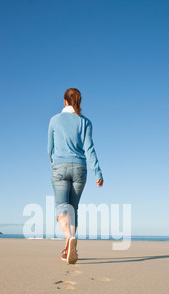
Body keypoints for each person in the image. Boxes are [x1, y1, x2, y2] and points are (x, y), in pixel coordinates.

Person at [48, 88, 103, 264]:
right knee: (73, 209)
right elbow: (90, 149)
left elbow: (50, 148)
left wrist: (54, 162)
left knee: (61, 208)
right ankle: (69, 249)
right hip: (80, 167)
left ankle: (69, 237)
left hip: (60, 166)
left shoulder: (54, 120)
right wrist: (98, 172)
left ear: (64, 101)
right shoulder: (85, 122)